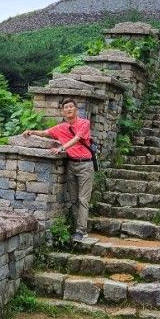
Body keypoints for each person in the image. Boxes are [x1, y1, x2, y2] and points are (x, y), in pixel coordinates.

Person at [22, 99, 94, 243]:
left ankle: (81, 230)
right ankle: (77, 228)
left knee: (83, 199)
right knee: (73, 199)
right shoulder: (61, 127)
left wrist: (61, 148)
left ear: (76, 109)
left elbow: (77, 138)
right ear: (63, 111)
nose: (68, 109)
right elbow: (45, 133)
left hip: (85, 165)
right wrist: (31, 132)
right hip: (71, 165)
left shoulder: (84, 123)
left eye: (71, 107)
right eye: (66, 107)